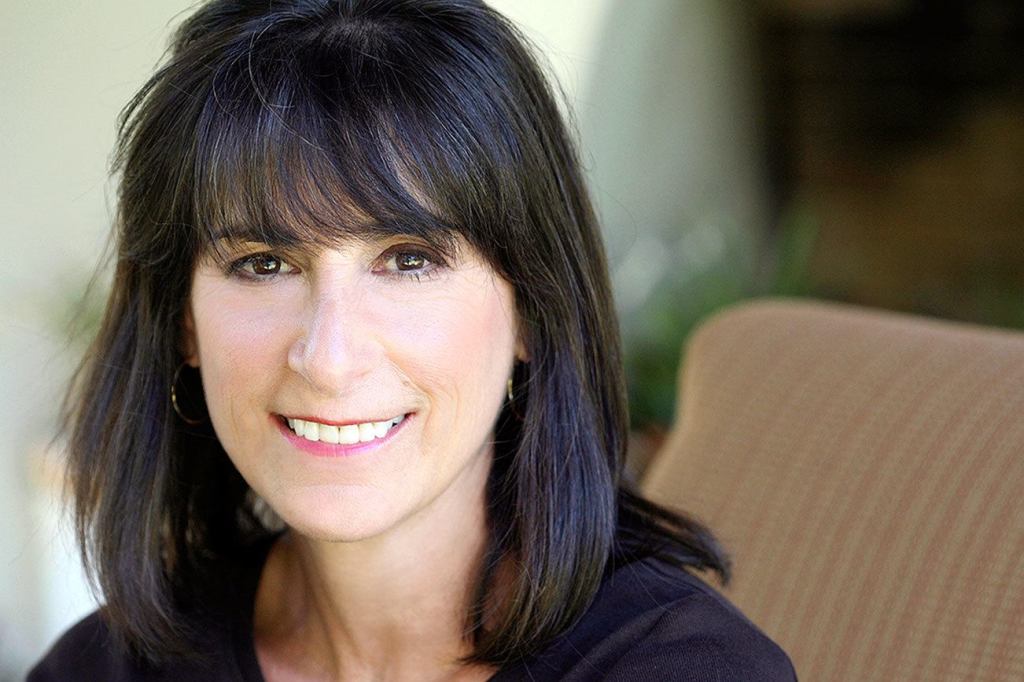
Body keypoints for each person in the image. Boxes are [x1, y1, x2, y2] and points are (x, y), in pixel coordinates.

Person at [29, 1, 796, 680]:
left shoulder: (681, 668)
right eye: (263, 264)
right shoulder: (99, 668)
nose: (329, 359)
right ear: (183, 322)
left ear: (532, 309)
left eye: (408, 260)